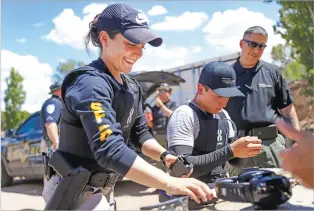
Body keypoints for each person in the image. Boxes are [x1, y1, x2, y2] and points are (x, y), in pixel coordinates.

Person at [42, 4, 213, 210]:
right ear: (105, 39)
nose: (139, 52)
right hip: (73, 188)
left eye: (142, 45)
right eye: (132, 43)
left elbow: (139, 134)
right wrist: (170, 183)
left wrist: (164, 156)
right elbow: (109, 149)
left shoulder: (131, 86)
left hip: (102, 188)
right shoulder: (89, 83)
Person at [225, 26, 301, 176]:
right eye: (252, 44)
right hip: (240, 147)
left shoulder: (271, 72)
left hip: (272, 145)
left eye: (262, 46)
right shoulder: (227, 75)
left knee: (279, 190)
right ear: (241, 44)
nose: (256, 50)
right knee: (241, 195)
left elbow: (287, 108)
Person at [150, 83, 178, 148]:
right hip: (157, 135)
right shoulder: (155, 107)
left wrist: (161, 105)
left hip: (169, 135)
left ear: (169, 93)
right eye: (159, 91)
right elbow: (151, 124)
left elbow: (170, 114)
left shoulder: (173, 104)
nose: (160, 93)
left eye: (163, 91)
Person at [40, 81, 63, 152]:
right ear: (59, 90)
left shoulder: (58, 102)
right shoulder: (54, 102)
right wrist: (56, 141)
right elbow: (50, 124)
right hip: (53, 146)